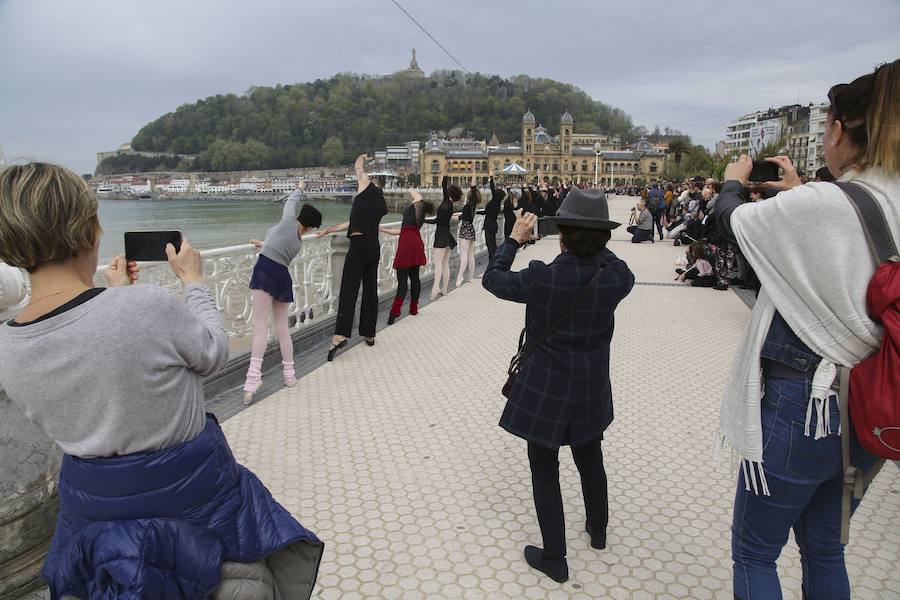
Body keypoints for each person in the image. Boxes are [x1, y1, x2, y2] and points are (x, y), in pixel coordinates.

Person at [0, 162, 323, 599]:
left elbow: (92, 371)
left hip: (96, 523)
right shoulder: (144, 307)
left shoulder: (8, 347)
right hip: (193, 510)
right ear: (87, 229)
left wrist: (115, 299)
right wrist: (193, 282)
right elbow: (212, 353)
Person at [715, 61, 899, 600]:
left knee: (754, 552)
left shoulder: (824, 203)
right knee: (825, 547)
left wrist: (732, 179)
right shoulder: (871, 197)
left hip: (808, 402)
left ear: (838, 129)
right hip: (875, 405)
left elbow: (733, 222)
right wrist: (802, 191)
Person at [482, 188, 634, 583]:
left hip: (546, 388)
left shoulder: (543, 277)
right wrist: (596, 242)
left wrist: (514, 240)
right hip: (591, 385)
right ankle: (597, 532)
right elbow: (618, 265)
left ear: (561, 234)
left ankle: (555, 556)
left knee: (544, 467)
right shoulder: (614, 277)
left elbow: (492, 279)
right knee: (590, 457)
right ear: (604, 237)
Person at [243, 181, 323, 404]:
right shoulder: (298, 243)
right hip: (282, 277)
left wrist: (299, 188)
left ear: (300, 218)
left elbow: (290, 202)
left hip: (265, 271)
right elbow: (276, 246)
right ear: (309, 228)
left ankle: (252, 381)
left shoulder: (288, 220)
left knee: (260, 328)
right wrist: (262, 243)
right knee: (282, 330)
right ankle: (289, 375)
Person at [317, 154, 388, 360]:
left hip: (358, 246)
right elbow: (350, 223)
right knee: (370, 290)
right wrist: (328, 230)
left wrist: (361, 158)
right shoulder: (379, 205)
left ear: (370, 185)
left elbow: (358, 169)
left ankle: (340, 335)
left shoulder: (366, 188)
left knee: (349, 290)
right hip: (373, 246)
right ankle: (369, 333)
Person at [380, 189, 434, 325]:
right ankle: (413, 308)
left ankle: (394, 313)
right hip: (415, 245)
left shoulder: (417, 205)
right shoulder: (419, 218)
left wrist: (409, 187)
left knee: (402, 282)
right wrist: (382, 229)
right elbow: (400, 231)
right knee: (415, 278)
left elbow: (414, 193)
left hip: (405, 247)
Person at [428, 175, 461, 300]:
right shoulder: (450, 206)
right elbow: (438, 220)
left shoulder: (446, 202)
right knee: (444, 263)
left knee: (438, 264)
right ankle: (444, 289)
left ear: (449, 194)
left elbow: (443, 185)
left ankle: (435, 289)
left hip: (441, 236)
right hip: (447, 235)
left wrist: (446, 173)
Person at [456, 168, 480, 287]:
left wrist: (474, 173)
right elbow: (463, 216)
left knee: (464, 254)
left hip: (465, 229)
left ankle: (460, 276)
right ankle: (470, 277)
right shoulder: (471, 205)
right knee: (470, 254)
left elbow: (474, 186)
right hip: (470, 228)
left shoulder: (471, 203)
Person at [478, 172, 505, 260]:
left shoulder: (494, 201)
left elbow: (492, 187)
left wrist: (491, 177)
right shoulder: (497, 203)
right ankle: (494, 257)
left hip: (489, 225)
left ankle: (493, 259)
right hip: (493, 224)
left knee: (490, 244)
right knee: (492, 243)